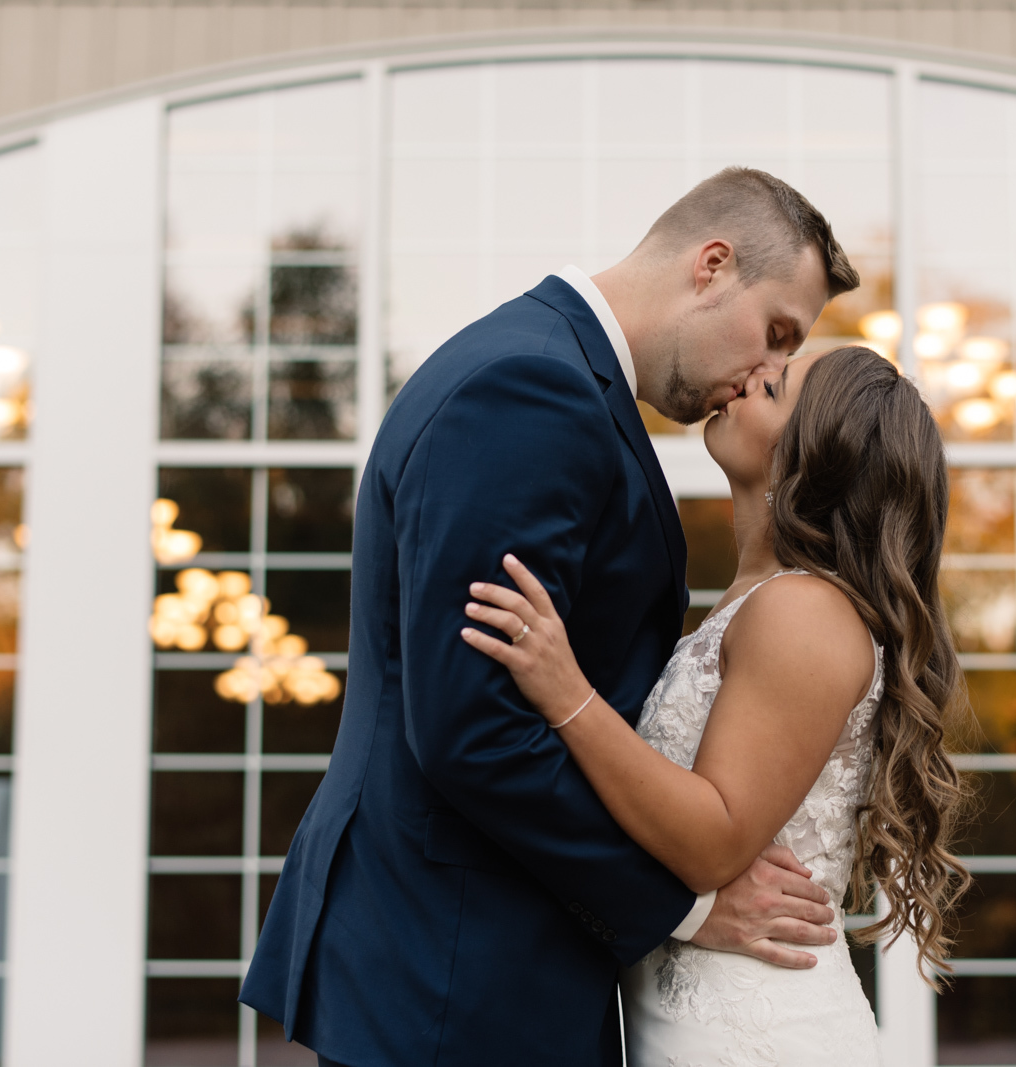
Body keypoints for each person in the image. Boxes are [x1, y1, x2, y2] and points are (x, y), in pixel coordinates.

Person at [241, 168, 863, 1067]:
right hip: (457, 972)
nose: (766, 374)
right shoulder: (535, 388)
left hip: (477, 968)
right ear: (713, 264)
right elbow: (474, 725)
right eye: (774, 334)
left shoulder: (555, 373)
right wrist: (682, 905)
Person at [462, 345, 972, 1065]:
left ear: (813, 454)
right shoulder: (753, 602)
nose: (744, 379)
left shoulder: (806, 612)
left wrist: (566, 692)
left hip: (758, 1034)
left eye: (775, 385)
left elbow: (714, 839)